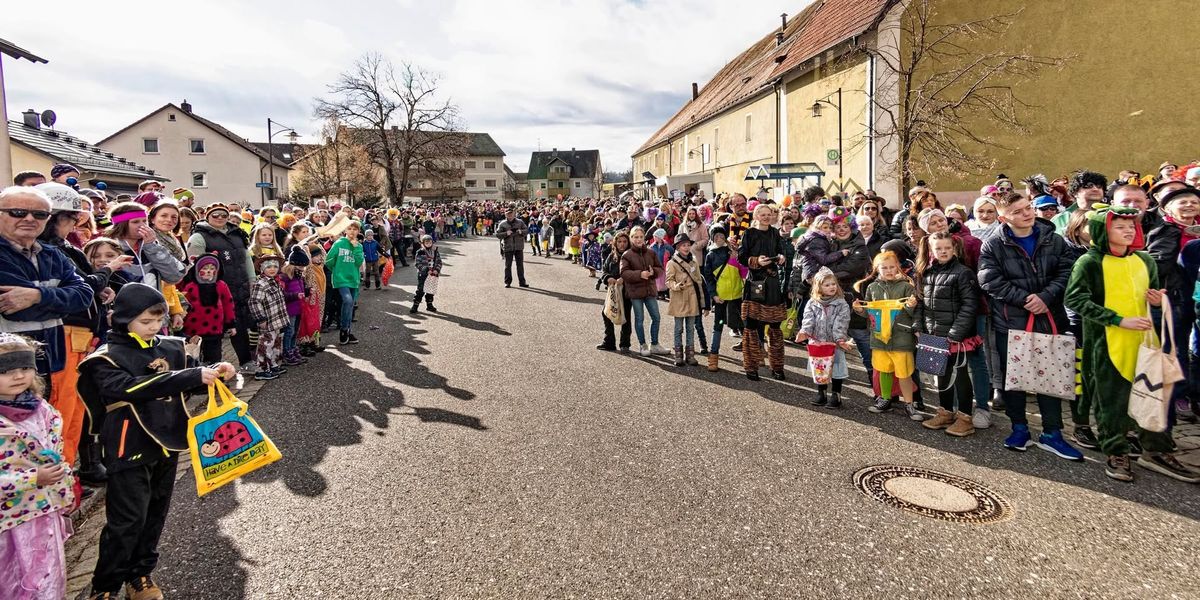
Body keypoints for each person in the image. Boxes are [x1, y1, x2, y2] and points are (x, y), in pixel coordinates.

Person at [78, 284, 236, 600]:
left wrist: (217, 373)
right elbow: (127, 388)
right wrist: (191, 376)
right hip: (128, 446)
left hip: (168, 441)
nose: (153, 328)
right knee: (127, 520)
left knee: (155, 515)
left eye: (157, 320)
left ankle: (140, 575)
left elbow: (193, 379)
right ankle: (105, 585)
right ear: (123, 319)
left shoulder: (171, 348)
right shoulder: (105, 359)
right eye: (145, 321)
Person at [1065, 207, 1198, 483]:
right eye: (1119, 226)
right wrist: (1115, 319)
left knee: (1152, 395)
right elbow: (1075, 299)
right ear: (1103, 231)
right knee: (1112, 401)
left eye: (1131, 226)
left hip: (1145, 341)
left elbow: (1152, 292)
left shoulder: (1145, 261)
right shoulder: (1089, 263)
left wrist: (1156, 299)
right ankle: (1116, 450)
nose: (1128, 231)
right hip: (1107, 345)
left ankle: (1156, 450)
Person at [978, 194, 1083, 461]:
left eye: (1028, 208)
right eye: (1018, 211)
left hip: (1049, 317)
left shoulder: (1054, 239)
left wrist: (1045, 297)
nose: (1026, 214)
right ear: (1004, 218)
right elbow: (989, 280)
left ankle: (1052, 433)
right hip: (1012, 321)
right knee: (1014, 379)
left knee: (1050, 378)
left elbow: (1067, 271)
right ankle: (1019, 428)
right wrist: (1024, 299)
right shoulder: (993, 246)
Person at [0, 333, 75, 600]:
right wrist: (33, 478)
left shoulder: (42, 409)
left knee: (49, 577)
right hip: (9, 522)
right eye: (6, 371)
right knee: (13, 582)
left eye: (25, 368)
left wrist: (64, 490)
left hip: (44, 511)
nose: (18, 376)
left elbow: (55, 455)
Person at [0, 186, 94, 387]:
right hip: (7, 370)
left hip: (47, 362)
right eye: (18, 212)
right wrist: (61, 301)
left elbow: (85, 295)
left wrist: (37, 296)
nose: (29, 218)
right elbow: (18, 312)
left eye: (40, 214)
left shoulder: (53, 254)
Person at [914, 232, 980, 436]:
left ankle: (965, 418)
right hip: (933, 334)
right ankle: (945, 413)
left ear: (954, 249)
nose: (943, 252)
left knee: (960, 376)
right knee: (940, 375)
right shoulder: (927, 272)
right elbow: (921, 303)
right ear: (932, 251)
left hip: (955, 337)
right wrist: (918, 326)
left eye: (947, 248)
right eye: (938, 248)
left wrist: (956, 333)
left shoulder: (963, 273)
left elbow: (970, 305)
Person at [186, 203, 256, 371]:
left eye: (223, 215)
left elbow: (246, 258)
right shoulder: (199, 237)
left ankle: (246, 362)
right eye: (215, 215)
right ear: (207, 216)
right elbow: (193, 265)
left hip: (239, 286)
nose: (219, 218)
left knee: (239, 326)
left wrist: (252, 278)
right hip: (212, 291)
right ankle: (210, 368)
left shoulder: (237, 233)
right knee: (212, 332)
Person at [857, 251, 923, 420]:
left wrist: (911, 305)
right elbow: (869, 313)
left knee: (904, 372)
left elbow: (912, 312)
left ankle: (909, 403)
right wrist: (859, 310)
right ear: (877, 269)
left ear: (898, 268)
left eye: (892, 267)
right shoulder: (872, 287)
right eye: (884, 267)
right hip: (879, 338)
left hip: (902, 337)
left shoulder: (906, 287)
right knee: (884, 370)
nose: (888, 270)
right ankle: (885, 399)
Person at [738, 203, 789, 381]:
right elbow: (741, 257)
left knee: (775, 327)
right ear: (757, 216)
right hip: (755, 283)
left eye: (769, 214)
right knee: (751, 327)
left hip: (773, 283)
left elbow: (781, 252)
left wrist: (781, 257)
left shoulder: (775, 233)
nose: (767, 217)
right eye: (763, 214)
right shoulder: (749, 233)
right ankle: (751, 366)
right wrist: (756, 261)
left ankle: (777, 366)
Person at [797, 268, 852, 408]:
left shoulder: (841, 303)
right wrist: (805, 332)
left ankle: (836, 394)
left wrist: (839, 339)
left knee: (836, 369)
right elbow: (808, 320)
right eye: (827, 285)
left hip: (834, 344)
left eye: (833, 284)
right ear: (819, 287)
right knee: (820, 368)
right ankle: (821, 393)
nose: (831, 287)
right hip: (818, 343)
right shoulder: (812, 303)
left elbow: (841, 323)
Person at [178, 255, 236, 364]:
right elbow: (183, 305)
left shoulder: (221, 285)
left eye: (212, 268)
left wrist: (231, 324)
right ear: (197, 270)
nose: (208, 271)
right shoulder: (190, 286)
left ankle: (216, 376)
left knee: (214, 355)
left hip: (215, 328)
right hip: (193, 329)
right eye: (204, 268)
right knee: (194, 355)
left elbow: (228, 304)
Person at [620, 227, 668, 356]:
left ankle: (655, 344)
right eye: (636, 237)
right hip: (635, 292)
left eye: (641, 236)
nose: (639, 239)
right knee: (639, 319)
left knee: (656, 317)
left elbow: (660, 268)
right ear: (631, 238)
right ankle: (643, 344)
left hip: (650, 290)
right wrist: (640, 274)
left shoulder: (651, 253)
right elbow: (624, 273)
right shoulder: (627, 255)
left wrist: (654, 273)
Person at [703, 225, 743, 372]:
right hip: (721, 297)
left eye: (721, 236)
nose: (719, 239)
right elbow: (708, 278)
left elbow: (743, 270)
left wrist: (736, 256)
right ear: (712, 238)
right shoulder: (710, 255)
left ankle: (752, 357)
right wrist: (713, 295)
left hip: (737, 295)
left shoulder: (733, 251)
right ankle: (713, 357)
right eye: (716, 237)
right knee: (718, 325)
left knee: (742, 325)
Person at [666, 233, 704, 367]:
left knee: (690, 328)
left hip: (692, 298)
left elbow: (699, 281)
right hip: (679, 298)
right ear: (677, 247)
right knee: (678, 328)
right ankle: (678, 355)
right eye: (683, 245)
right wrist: (675, 286)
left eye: (688, 245)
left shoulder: (694, 262)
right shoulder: (672, 263)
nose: (687, 247)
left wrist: (703, 302)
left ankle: (690, 355)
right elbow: (668, 281)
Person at [249, 255, 289, 380]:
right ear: (262, 269)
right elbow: (254, 302)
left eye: (275, 267)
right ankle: (261, 369)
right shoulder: (260, 284)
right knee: (265, 345)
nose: (272, 269)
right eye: (269, 267)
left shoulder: (274, 282)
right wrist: (260, 318)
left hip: (277, 319)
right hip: (267, 321)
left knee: (276, 343)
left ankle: (273, 364)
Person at [329, 221, 365, 343]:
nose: (352, 231)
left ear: (358, 231)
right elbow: (329, 261)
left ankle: (347, 331)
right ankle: (344, 329)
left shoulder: (359, 246)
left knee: (350, 305)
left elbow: (359, 262)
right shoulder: (339, 243)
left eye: (355, 229)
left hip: (353, 279)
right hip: (341, 279)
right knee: (348, 300)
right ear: (345, 230)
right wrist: (337, 271)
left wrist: (355, 248)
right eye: (349, 229)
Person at [599, 231, 633, 352]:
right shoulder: (611, 256)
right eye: (619, 242)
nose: (622, 244)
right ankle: (609, 342)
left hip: (627, 291)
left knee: (625, 316)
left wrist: (624, 278)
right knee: (606, 313)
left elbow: (635, 272)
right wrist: (608, 278)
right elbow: (604, 271)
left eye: (624, 242)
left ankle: (625, 344)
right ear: (615, 243)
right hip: (613, 290)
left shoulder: (631, 255)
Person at [279, 248, 310, 366]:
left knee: (295, 331)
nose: (302, 269)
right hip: (290, 309)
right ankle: (287, 352)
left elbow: (301, 289)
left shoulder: (299, 276)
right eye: (301, 267)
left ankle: (292, 349)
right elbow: (282, 294)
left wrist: (307, 291)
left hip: (298, 308)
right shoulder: (285, 277)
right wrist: (295, 295)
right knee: (289, 331)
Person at [495, 207, 529, 288]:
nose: (510, 216)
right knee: (508, 266)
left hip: (519, 247)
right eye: (508, 215)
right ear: (506, 215)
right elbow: (498, 235)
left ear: (514, 214)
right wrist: (506, 233)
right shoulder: (502, 224)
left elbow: (527, 230)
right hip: (508, 247)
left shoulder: (520, 222)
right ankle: (507, 282)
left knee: (520, 265)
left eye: (511, 215)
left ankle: (522, 282)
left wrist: (521, 232)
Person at [410, 234, 442, 314]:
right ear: (423, 243)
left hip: (433, 274)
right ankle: (415, 305)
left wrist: (436, 270)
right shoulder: (420, 252)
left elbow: (439, 262)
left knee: (430, 290)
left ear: (432, 242)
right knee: (420, 290)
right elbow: (418, 263)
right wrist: (426, 270)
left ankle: (429, 304)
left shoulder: (435, 251)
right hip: (423, 274)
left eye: (430, 242)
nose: (428, 244)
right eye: (426, 243)